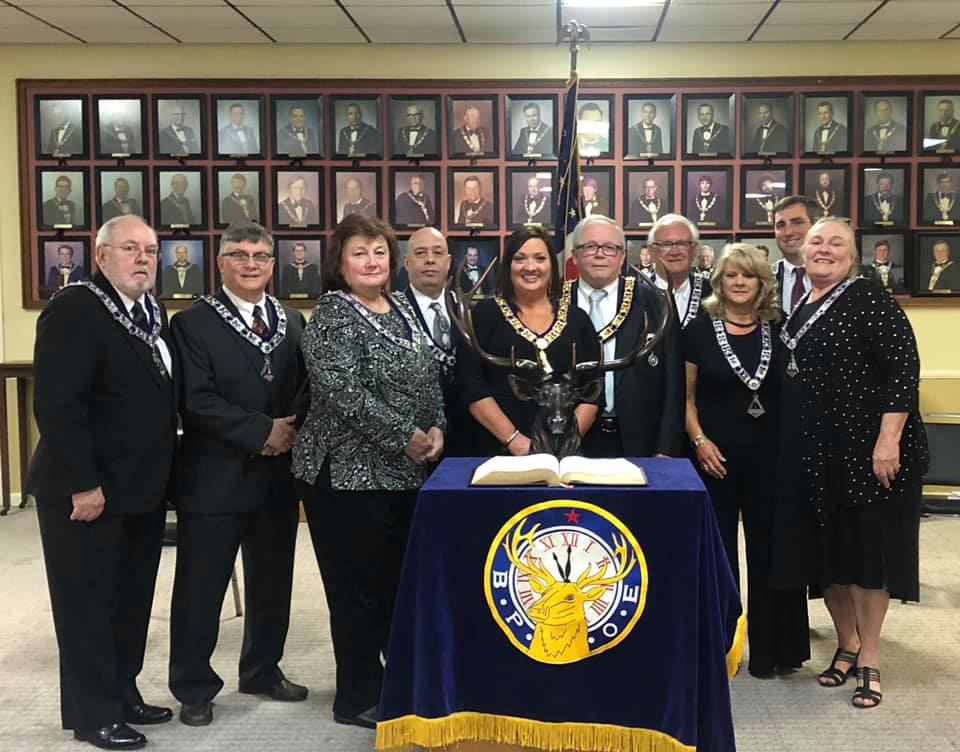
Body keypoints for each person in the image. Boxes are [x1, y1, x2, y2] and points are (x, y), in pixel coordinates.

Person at [292, 213, 445, 728]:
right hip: (347, 476)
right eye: (360, 252)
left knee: (391, 585)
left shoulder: (399, 306)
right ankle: (356, 696)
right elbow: (340, 393)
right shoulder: (334, 312)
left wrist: (436, 427)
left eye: (379, 251)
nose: (372, 261)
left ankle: (389, 681)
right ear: (339, 262)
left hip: (403, 474)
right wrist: (406, 436)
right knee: (356, 590)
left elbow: (428, 376)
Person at [30, 215, 176, 750]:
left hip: (138, 487)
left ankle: (122, 692)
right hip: (86, 492)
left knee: (130, 600)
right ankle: (93, 714)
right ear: (101, 256)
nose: (144, 259)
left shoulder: (149, 311)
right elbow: (58, 406)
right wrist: (83, 483)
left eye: (152, 250)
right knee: (88, 605)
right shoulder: (77, 308)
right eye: (131, 249)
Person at [772, 218, 928, 708]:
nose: (823, 249)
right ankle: (846, 643)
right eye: (815, 241)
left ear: (853, 253)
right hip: (817, 454)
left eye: (835, 242)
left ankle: (870, 659)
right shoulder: (799, 305)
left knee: (866, 561)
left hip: (865, 453)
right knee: (830, 560)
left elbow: (904, 368)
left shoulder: (868, 297)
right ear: (802, 250)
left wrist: (888, 440)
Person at [169, 221, 308, 727]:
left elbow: (305, 388)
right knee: (201, 587)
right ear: (221, 262)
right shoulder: (191, 324)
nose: (251, 263)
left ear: (273, 264)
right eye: (240, 254)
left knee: (273, 582)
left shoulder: (292, 320)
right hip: (215, 475)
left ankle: (262, 669)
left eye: (261, 256)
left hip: (277, 476)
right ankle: (193, 685)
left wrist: (288, 431)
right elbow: (195, 400)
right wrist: (260, 431)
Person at [683, 243, 809, 678]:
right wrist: (699, 441)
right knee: (718, 555)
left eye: (748, 276)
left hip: (771, 461)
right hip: (713, 460)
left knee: (770, 553)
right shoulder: (699, 330)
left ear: (762, 283)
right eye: (732, 275)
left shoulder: (781, 328)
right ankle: (720, 651)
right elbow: (685, 398)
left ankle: (775, 652)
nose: (739, 283)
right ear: (720, 280)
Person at [457, 227, 601, 457]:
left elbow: (593, 387)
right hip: (499, 452)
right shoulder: (484, 315)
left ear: (552, 266)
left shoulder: (577, 319)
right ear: (508, 266)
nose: (530, 267)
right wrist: (515, 440)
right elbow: (471, 384)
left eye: (540, 258)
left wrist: (565, 443)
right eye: (520, 258)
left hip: (566, 458)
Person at [569, 215, 684, 459]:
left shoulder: (656, 301)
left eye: (610, 248)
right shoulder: (554, 302)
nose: (600, 254)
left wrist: (665, 448)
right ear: (574, 255)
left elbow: (674, 383)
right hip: (570, 441)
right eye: (590, 247)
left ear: (622, 256)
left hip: (640, 441)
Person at [402, 227, 471, 455]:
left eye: (437, 253)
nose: (430, 260)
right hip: (415, 443)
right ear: (407, 262)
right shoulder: (389, 313)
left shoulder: (471, 311)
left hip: (468, 439)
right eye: (420, 253)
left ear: (449, 261)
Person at [648, 214, 712, 329]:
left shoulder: (713, 292)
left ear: (694, 250)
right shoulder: (636, 295)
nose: (675, 252)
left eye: (682, 244)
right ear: (652, 251)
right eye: (666, 245)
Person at [772, 195, 816, 314]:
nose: (788, 232)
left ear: (815, 226)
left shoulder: (835, 278)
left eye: (797, 222)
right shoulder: (764, 280)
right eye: (781, 225)